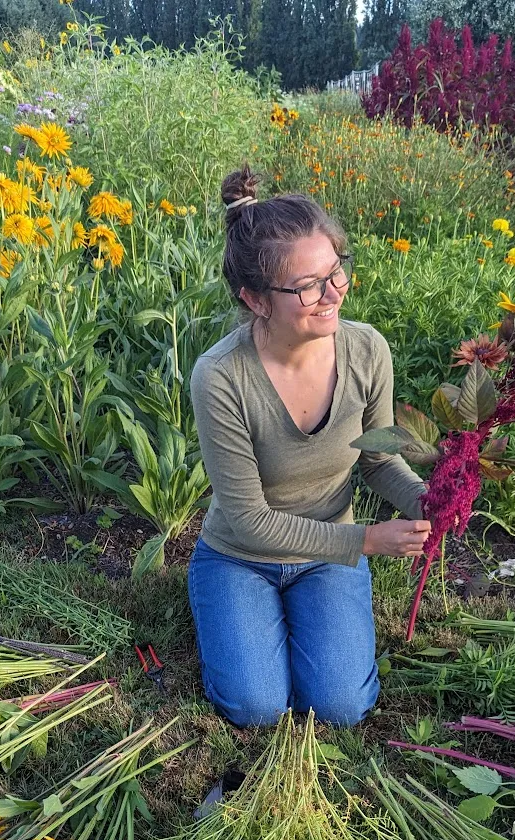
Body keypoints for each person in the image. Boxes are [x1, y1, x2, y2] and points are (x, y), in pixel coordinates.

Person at [187, 164, 431, 728]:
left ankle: (285, 620)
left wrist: (428, 502)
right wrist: (365, 540)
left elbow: (378, 458)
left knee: (342, 707)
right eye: (307, 286)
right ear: (256, 300)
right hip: (240, 557)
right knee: (256, 708)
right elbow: (247, 519)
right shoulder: (222, 376)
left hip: (327, 558)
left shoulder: (368, 351)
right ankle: (225, 605)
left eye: (336, 272)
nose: (332, 295)